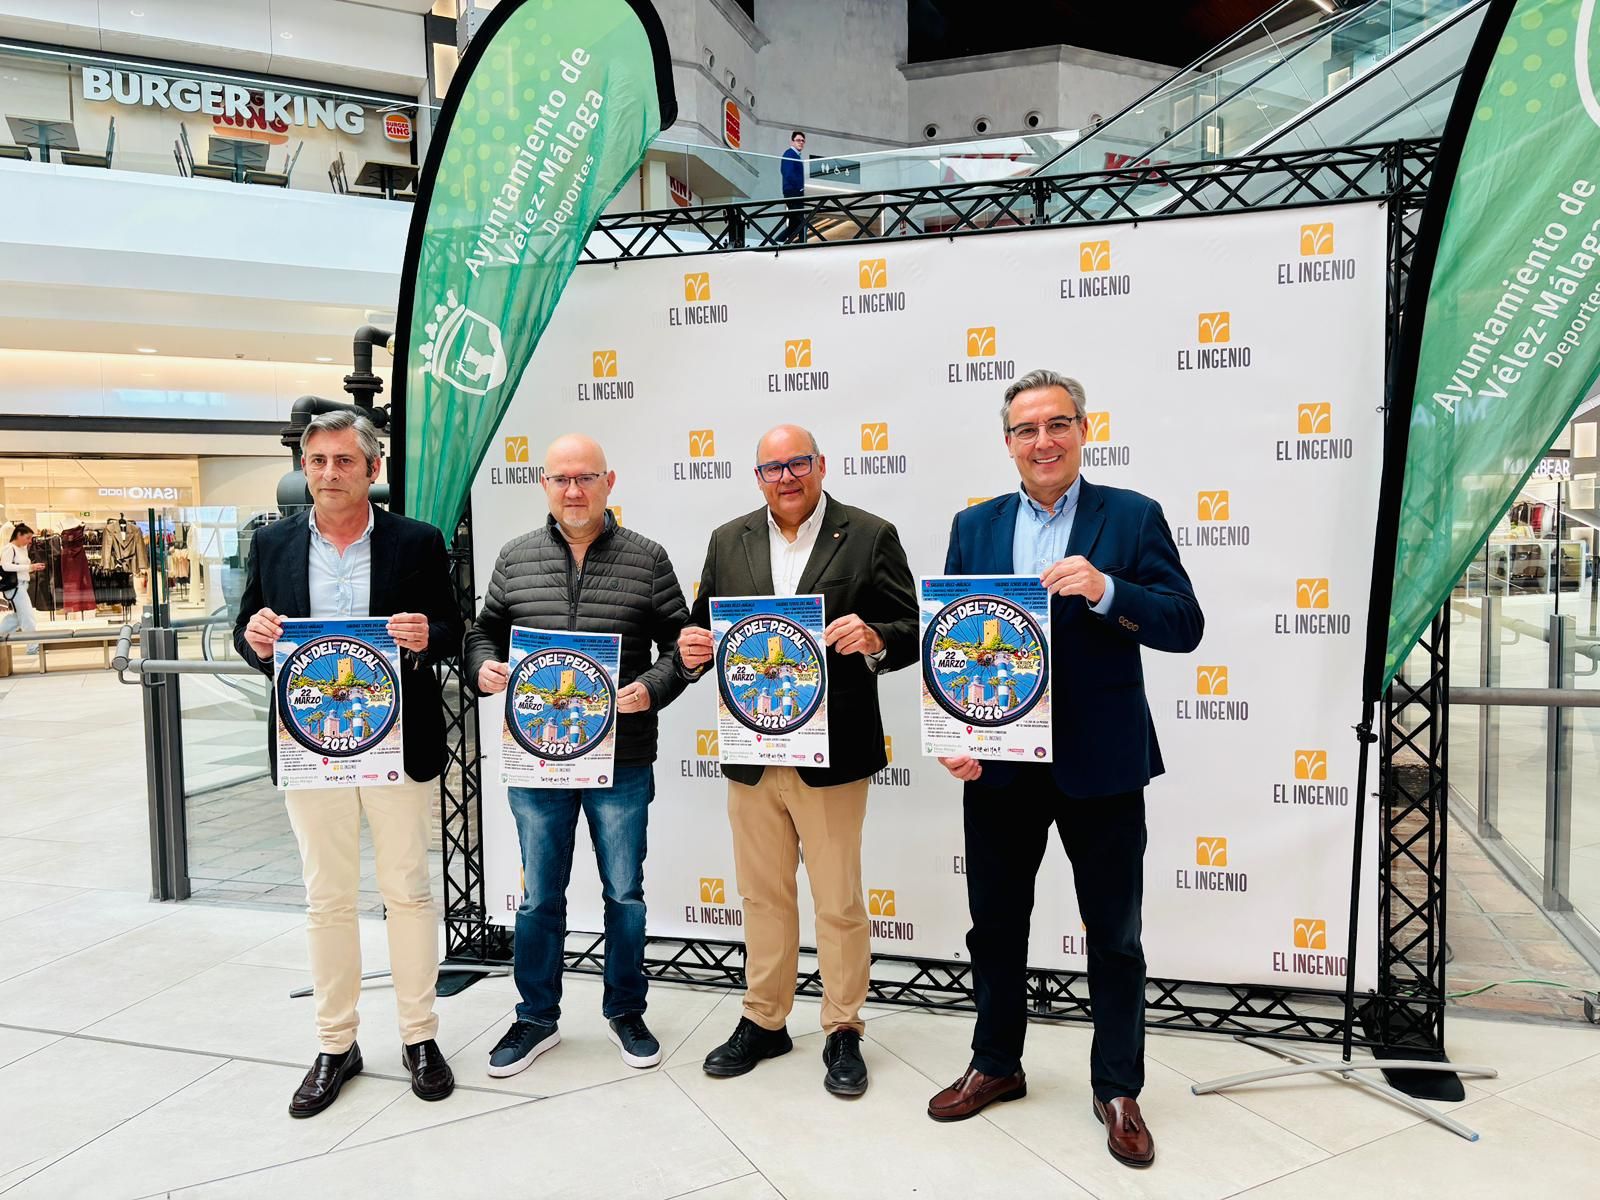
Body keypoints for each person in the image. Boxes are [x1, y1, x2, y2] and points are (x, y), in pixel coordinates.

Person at [926, 369, 1203, 1169]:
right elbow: (953, 637)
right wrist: (955, 728)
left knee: (1114, 936)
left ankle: (1118, 1088)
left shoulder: (1133, 515)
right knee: (994, 927)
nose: (1042, 441)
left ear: (1084, 429)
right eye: (1026, 429)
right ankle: (995, 1063)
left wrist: (1108, 588)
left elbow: (1184, 624)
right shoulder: (973, 525)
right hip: (1000, 764)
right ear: (1007, 442)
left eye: (1057, 424)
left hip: (1102, 761)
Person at [234, 409, 463, 1118]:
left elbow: (452, 629)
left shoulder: (417, 542)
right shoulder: (271, 543)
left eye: (344, 460)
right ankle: (336, 1044)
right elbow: (249, 633)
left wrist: (427, 635)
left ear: (373, 469)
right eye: (318, 460)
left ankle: (420, 1036)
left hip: (397, 745)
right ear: (304, 468)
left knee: (409, 893)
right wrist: (255, 639)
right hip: (311, 747)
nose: (329, 472)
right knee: (326, 898)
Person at [677, 424, 918, 1097]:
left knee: (837, 899)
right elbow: (703, 626)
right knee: (762, 895)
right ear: (758, 476)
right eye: (772, 467)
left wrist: (876, 637)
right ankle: (765, 1019)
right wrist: (691, 651)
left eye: (798, 463)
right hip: (752, 748)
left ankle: (843, 1027)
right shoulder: (729, 540)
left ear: (821, 465)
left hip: (832, 752)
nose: (786, 477)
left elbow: (913, 629)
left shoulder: (869, 534)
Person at [464, 434, 690, 1078]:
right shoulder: (515, 557)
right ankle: (536, 1017)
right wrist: (483, 668)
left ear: (608, 482)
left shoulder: (648, 558)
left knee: (624, 893)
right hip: (537, 757)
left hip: (623, 758)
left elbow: (683, 645)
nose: (573, 490)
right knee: (539, 896)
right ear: (544, 485)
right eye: (561, 478)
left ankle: (626, 1011)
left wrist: (653, 688)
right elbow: (483, 631)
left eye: (586, 477)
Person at [0, 522, 43, 656]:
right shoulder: (9, 548)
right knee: (27, 616)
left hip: (23, 585)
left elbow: (23, 567)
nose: (29, 541)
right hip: (15, 587)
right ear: (19, 535)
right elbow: (6, 566)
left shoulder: (22, 549)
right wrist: (29, 567)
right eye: (27, 537)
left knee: (18, 617)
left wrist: (32, 568)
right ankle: (32, 647)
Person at [780, 129, 806, 243]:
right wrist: (800, 187)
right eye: (798, 140)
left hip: (795, 192)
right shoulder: (789, 154)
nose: (801, 142)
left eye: (803, 141)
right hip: (793, 192)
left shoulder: (796, 155)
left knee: (794, 225)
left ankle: (778, 243)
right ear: (792, 142)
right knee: (801, 222)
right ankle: (802, 245)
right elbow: (788, 173)